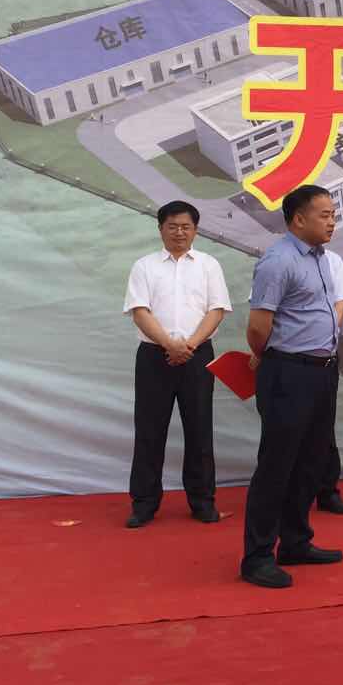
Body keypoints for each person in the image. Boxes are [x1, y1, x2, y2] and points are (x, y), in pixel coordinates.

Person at [240, 185, 343, 589]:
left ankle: (296, 542)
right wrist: (268, 356)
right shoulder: (278, 261)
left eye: (333, 214)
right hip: (288, 372)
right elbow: (258, 327)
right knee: (277, 465)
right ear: (299, 219)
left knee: (311, 461)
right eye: (325, 215)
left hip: (323, 370)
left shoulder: (322, 259)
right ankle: (257, 556)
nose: (332, 222)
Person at [122, 200, 231, 528]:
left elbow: (217, 310)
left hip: (198, 355)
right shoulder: (144, 266)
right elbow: (139, 311)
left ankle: (202, 501)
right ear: (161, 229)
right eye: (172, 226)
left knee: (199, 429)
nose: (179, 232)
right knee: (149, 430)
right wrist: (170, 344)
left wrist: (190, 345)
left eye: (186, 227)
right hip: (154, 356)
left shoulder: (209, 265)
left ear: (195, 230)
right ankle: (144, 503)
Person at [317, 243, 343, 514]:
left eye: (331, 220)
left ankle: (327, 491)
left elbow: (340, 302)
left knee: (323, 427)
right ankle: (284, 494)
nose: (330, 224)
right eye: (324, 221)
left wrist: (326, 333)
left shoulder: (332, 260)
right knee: (286, 431)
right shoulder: (277, 259)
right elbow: (264, 314)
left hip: (323, 356)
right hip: (286, 358)